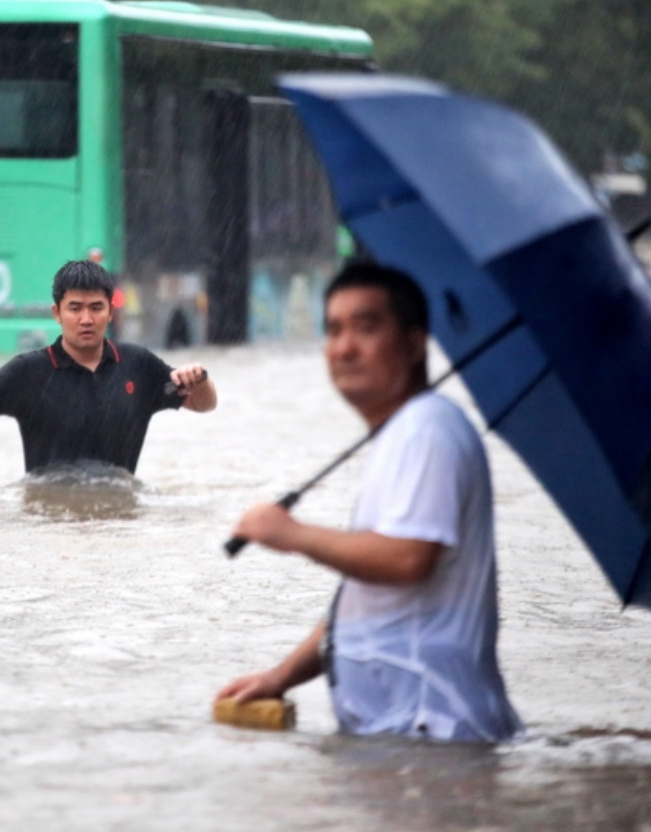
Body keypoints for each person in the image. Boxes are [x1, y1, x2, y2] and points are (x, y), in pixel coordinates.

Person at [216, 260, 521, 743]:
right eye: (334, 330)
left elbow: (406, 559)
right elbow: (366, 602)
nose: (345, 348)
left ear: (416, 341)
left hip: (433, 739)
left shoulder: (427, 430)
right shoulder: (399, 435)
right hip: (396, 741)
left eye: (366, 327)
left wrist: (292, 535)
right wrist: (282, 676)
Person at [0, 259, 217, 474]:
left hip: (120, 525)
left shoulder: (137, 365)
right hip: (50, 522)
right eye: (75, 308)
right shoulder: (29, 372)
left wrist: (200, 380)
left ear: (111, 312)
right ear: (57, 313)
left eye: (96, 308)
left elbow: (203, 405)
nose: (86, 319)